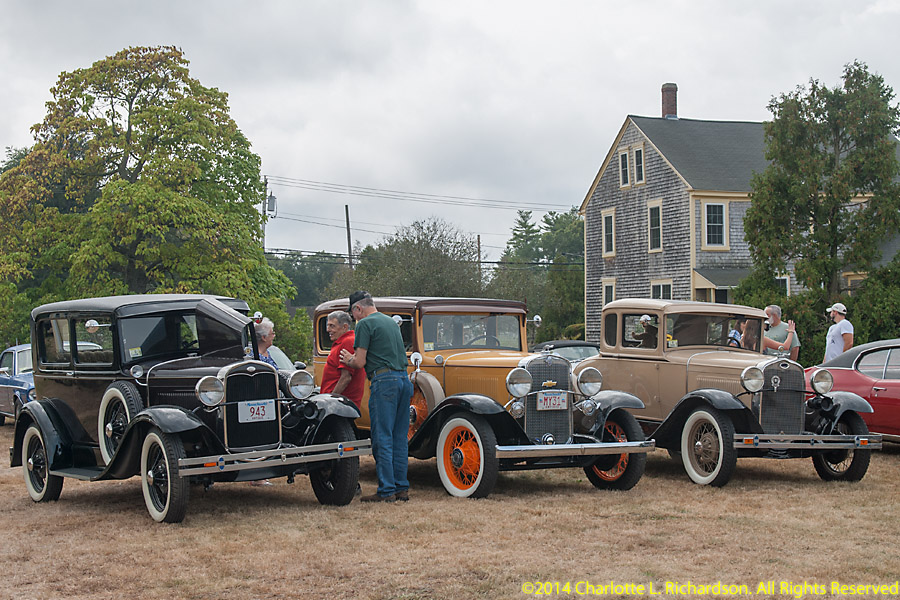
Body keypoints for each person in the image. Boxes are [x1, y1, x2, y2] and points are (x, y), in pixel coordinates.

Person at [340, 291, 413, 503]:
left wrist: (348, 359)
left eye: (353, 314)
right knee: (400, 437)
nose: (354, 318)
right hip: (403, 379)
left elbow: (360, 362)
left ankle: (386, 490)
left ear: (358, 308)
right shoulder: (391, 322)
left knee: (382, 437)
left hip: (384, 382)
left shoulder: (364, 324)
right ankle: (401, 488)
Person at [321, 310, 365, 409]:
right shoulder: (342, 342)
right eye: (328, 326)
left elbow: (346, 377)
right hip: (339, 403)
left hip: (341, 405)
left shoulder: (347, 342)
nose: (328, 330)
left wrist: (330, 401)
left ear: (344, 327)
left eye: (332, 326)